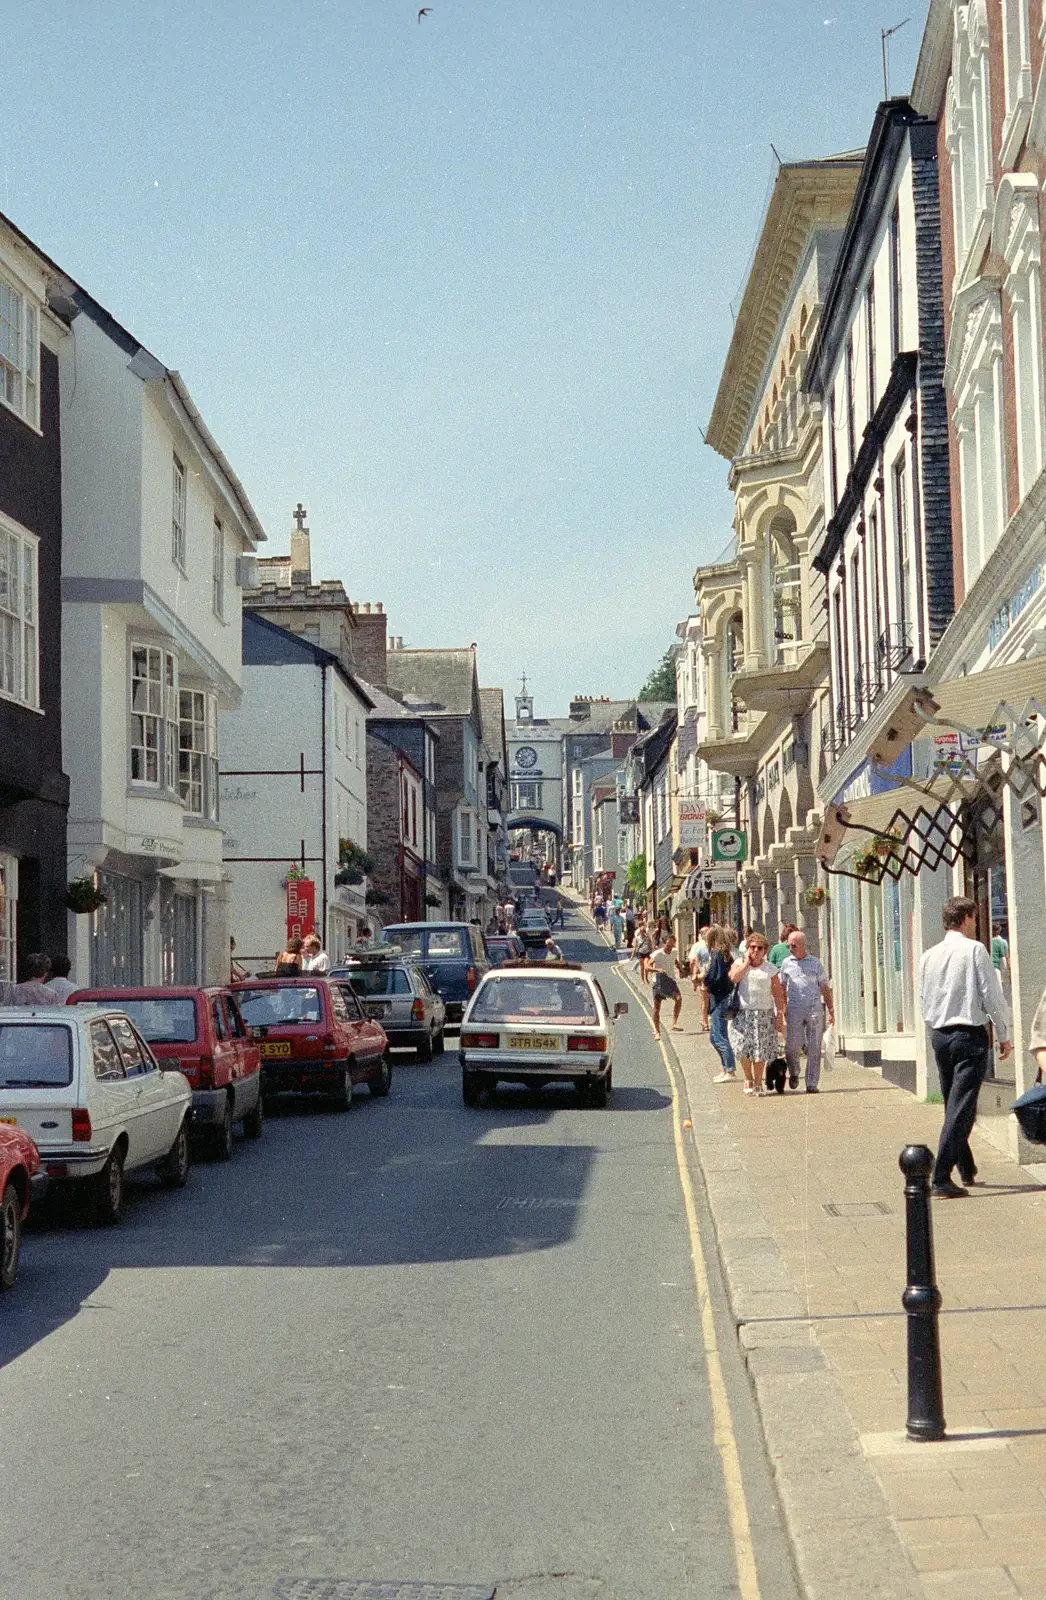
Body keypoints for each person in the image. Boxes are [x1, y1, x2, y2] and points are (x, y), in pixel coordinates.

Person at [920, 895, 1012, 1197]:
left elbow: (924, 998)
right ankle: (941, 1176)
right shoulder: (974, 950)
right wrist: (1003, 1033)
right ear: (966, 918)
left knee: (954, 1103)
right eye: (974, 918)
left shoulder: (929, 955)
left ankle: (966, 1166)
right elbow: (991, 994)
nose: (975, 923)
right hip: (968, 1034)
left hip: (940, 1035)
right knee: (962, 1106)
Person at [729, 932, 786, 1095]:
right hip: (743, 1012)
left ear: (765, 951)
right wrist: (746, 963)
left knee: (760, 1048)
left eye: (759, 948)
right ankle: (748, 1078)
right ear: (747, 949)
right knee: (742, 1046)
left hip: (764, 1013)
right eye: (752, 947)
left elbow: (777, 993)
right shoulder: (739, 963)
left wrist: (780, 1014)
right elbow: (733, 978)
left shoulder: (770, 969)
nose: (755, 951)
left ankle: (758, 1082)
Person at [779, 929, 834, 1092]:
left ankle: (811, 1083)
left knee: (814, 1047)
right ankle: (794, 1072)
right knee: (790, 1047)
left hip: (814, 1009)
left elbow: (825, 987)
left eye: (793, 945)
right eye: (788, 945)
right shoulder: (786, 963)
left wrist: (831, 1009)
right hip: (794, 1009)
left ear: (802, 945)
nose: (790, 948)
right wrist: (781, 1009)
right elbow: (781, 987)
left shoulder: (815, 963)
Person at [704, 925, 738, 1083]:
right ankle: (725, 1068)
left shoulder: (717, 954)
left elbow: (715, 977)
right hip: (722, 998)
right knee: (714, 1036)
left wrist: (705, 981)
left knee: (719, 1037)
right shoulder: (725, 954)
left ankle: (730, 1070)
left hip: (720, 999)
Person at [650, 934, 684, 1041]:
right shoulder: (657, 954)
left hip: (670, 980)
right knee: (657, 1008)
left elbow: (675, 960)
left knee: (678, 999)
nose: (670, 948)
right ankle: (657, 1031)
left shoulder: (674, 952)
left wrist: (680, 969)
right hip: (659, 981)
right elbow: (647, 966)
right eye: (668, 945)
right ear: (664, 943)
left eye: (672, 945)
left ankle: (674, 1023)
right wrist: (656, 970)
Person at [688, 925, 711, 1032]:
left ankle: (705, 1022)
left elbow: (693, 963)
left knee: (704, 1001)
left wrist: (694, 979)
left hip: (704, 978)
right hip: (715, 977)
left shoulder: (698, 947)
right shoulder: (716, 946)